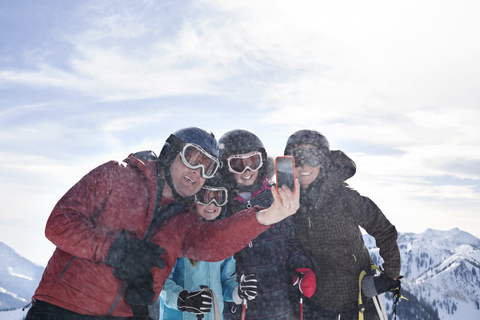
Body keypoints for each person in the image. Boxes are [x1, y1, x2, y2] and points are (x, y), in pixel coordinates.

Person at [25, 127, 300, 320]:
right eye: (193, 158)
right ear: (171, 152)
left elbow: (212, 245)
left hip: (130, 315)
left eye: (209, 168)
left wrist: (265, 216)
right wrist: (115, 249)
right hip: (63, 309)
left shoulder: (184, 219)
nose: (199, 173)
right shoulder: (115, 177)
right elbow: (59, 222)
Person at [283, 129, 401, 320]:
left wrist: (390, 275)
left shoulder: (346, 198)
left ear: (323, 162)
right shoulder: (284, 201)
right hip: (315, 299)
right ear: (289, 163)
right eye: (297, 157)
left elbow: (384, 230)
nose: (304, 164)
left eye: (312, 157)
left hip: (358, 297)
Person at [219, 129, 316, 320]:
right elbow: (217, 262)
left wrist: (303, 268)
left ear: (262, 163)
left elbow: (291, 242)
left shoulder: (276, 199)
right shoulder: (221, 208)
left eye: (253, 161)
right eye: (237, 164)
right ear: (225, 168)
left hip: (281, 304)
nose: (247, 171)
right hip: (243, 308)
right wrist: (235, 289)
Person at [159, 174, 238, 319]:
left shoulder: (223, 239)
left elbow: (226, 281)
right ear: (193, 198)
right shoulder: (176, 234)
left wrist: (238, 293)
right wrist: (184, 299)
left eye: (218, 197)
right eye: (205, 197)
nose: (212, 204)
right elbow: (160, 281)